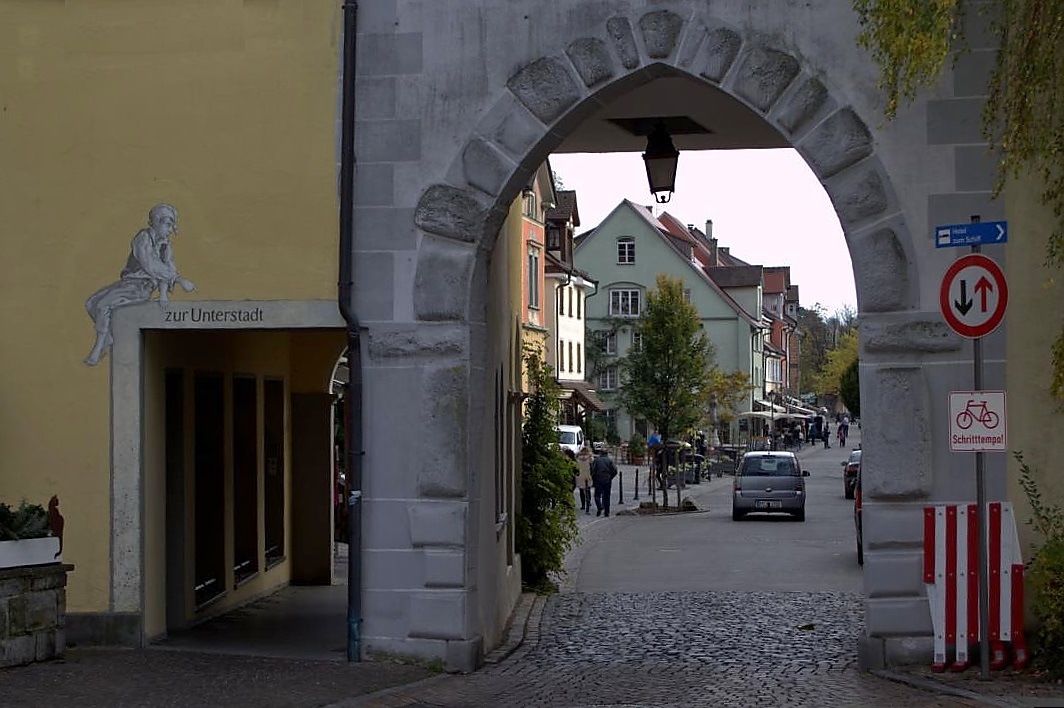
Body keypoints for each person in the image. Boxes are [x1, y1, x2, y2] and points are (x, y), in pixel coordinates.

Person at [84, 203, 196, 366]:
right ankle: (107, 334)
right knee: (91, 303)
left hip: (140, 288)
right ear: (156, 222)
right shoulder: (143, 238)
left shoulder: (166, 246)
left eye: (172, 224)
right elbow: (151, 264)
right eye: (168, 224)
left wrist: (164, 293)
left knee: (103, 305)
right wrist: (179, 280)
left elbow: (165, 268)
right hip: (128, 283)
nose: (171, 229)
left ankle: (100, 344)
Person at [590, 447, 618, 517]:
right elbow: (615, 470)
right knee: (606, 496)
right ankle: (607, 512)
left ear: (600, 453)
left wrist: (593, 478)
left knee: (597, 495)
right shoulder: (609, 460)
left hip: (598, 479)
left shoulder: (596, 460)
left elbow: (592, 470)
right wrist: (610, 477)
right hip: (607, 480)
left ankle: (599, 507)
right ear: (607, 453)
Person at [576, 446, 593, 514]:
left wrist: (579, 453)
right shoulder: (589, 459)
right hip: (588, 476)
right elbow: (592, 466)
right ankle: (588, 503)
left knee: (581, 491)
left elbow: (575, 455)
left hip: (580, 476)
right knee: (588, 491)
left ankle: (583, 505)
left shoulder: (578, 459)